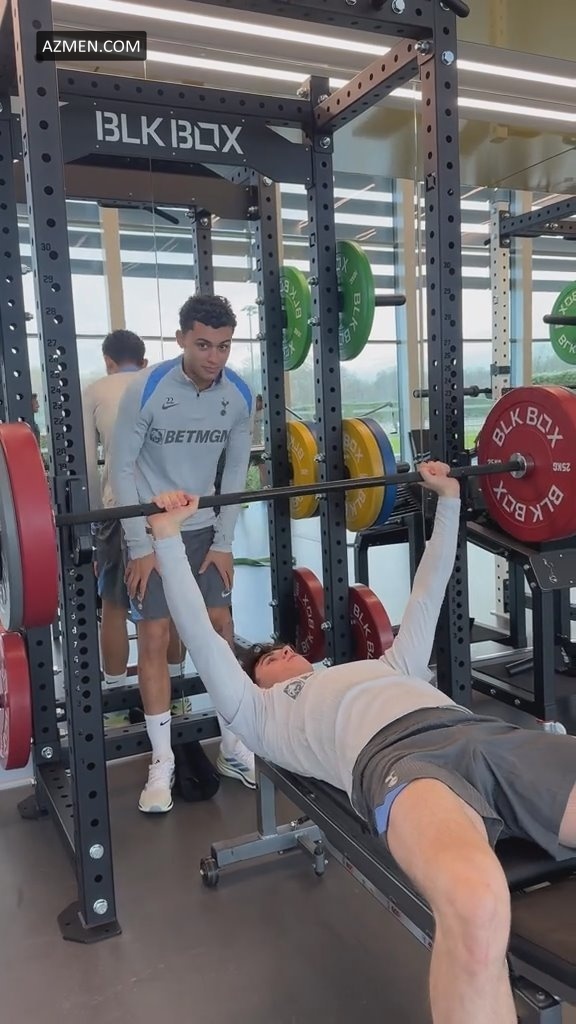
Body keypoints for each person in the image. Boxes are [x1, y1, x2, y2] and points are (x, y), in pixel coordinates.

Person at [146, 466, 576, 1024]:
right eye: (267, 660)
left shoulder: (390, 664)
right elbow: (201, 636)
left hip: (482, 733)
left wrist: (449, 500)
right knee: (475, 904)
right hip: (404, 763)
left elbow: (428, 592)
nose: (280, 654)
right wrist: (167, 537)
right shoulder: (257, 711)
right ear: (256, 681)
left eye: (283, 649)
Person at [109, 294, 255, 815]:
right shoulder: (147, 389)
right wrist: (139, 546)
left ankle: (234, 744)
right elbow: (121, 468)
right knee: (154, 635)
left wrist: (224, 541)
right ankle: (163, 759)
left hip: (204, 528)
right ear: (180, 340)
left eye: (224, 346)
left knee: (220, 630)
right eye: (203, 345)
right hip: (153, 528)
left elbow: (235, 473)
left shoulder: (239, 394)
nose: (214, 357)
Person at [82, 330, 151, 688]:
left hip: (116, 509)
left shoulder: (95, 391)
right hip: (164, 507)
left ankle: (116, 694)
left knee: (113, 603)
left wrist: (94, 520)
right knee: (169, 604)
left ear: (108, 362)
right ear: (144, 360)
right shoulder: (161, 384)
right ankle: (176, 693)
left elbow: (86, 466)